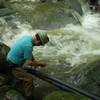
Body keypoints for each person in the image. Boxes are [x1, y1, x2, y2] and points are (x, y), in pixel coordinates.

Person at [6, 32, 49, 100]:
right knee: (29, 80)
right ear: (38, 41)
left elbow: (28, 52)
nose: (39, 45)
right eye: (40, 44)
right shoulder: (28, 45)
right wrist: (40, 64)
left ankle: (19, 88)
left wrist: (34, 60)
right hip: (13, 65)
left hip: (9, 59)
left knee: (22, 79)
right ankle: (29, 97)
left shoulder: (27, 38)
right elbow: (28, 62)